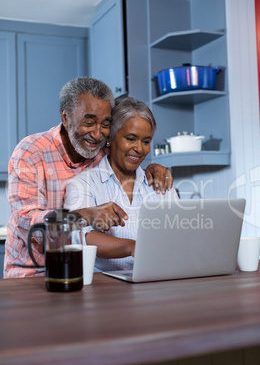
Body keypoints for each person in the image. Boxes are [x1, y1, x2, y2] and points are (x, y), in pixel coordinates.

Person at [4, 78, 173, 278]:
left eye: (105, 124)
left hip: (78, 271)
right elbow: (28, 224)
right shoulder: (31, 152)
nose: (97, 133)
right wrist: (84, 215)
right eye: (89, 122)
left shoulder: (101, 151)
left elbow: (130, 151)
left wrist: (152, 168)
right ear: (66, 118)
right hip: (33, 272)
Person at [64, 97, 178, 272]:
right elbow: (80, 236)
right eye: (131, 139)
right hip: (104, 287)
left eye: (146, 141)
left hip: (155, 278)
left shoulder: (160, 183)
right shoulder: (84, 183)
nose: (139, 149)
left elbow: (178, 235)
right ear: (110, 138)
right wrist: (131, 247)